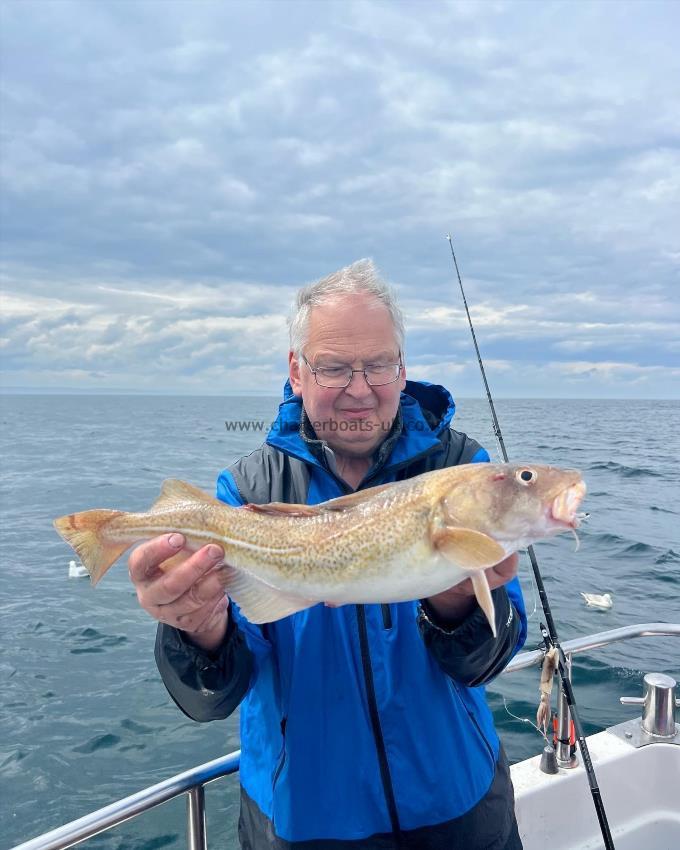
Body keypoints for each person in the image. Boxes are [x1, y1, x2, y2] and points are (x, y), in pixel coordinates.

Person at [129, 259, 527, 849]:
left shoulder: (463, 472)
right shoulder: (244, 495)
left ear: (403, 367)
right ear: (296, 371)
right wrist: (199, 633)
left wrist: (457, 607)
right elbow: (213, 696)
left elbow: (488, 660)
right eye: (335, 367)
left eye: (378, 365)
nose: (360, 390)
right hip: (302, 821)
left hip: (458, 807)